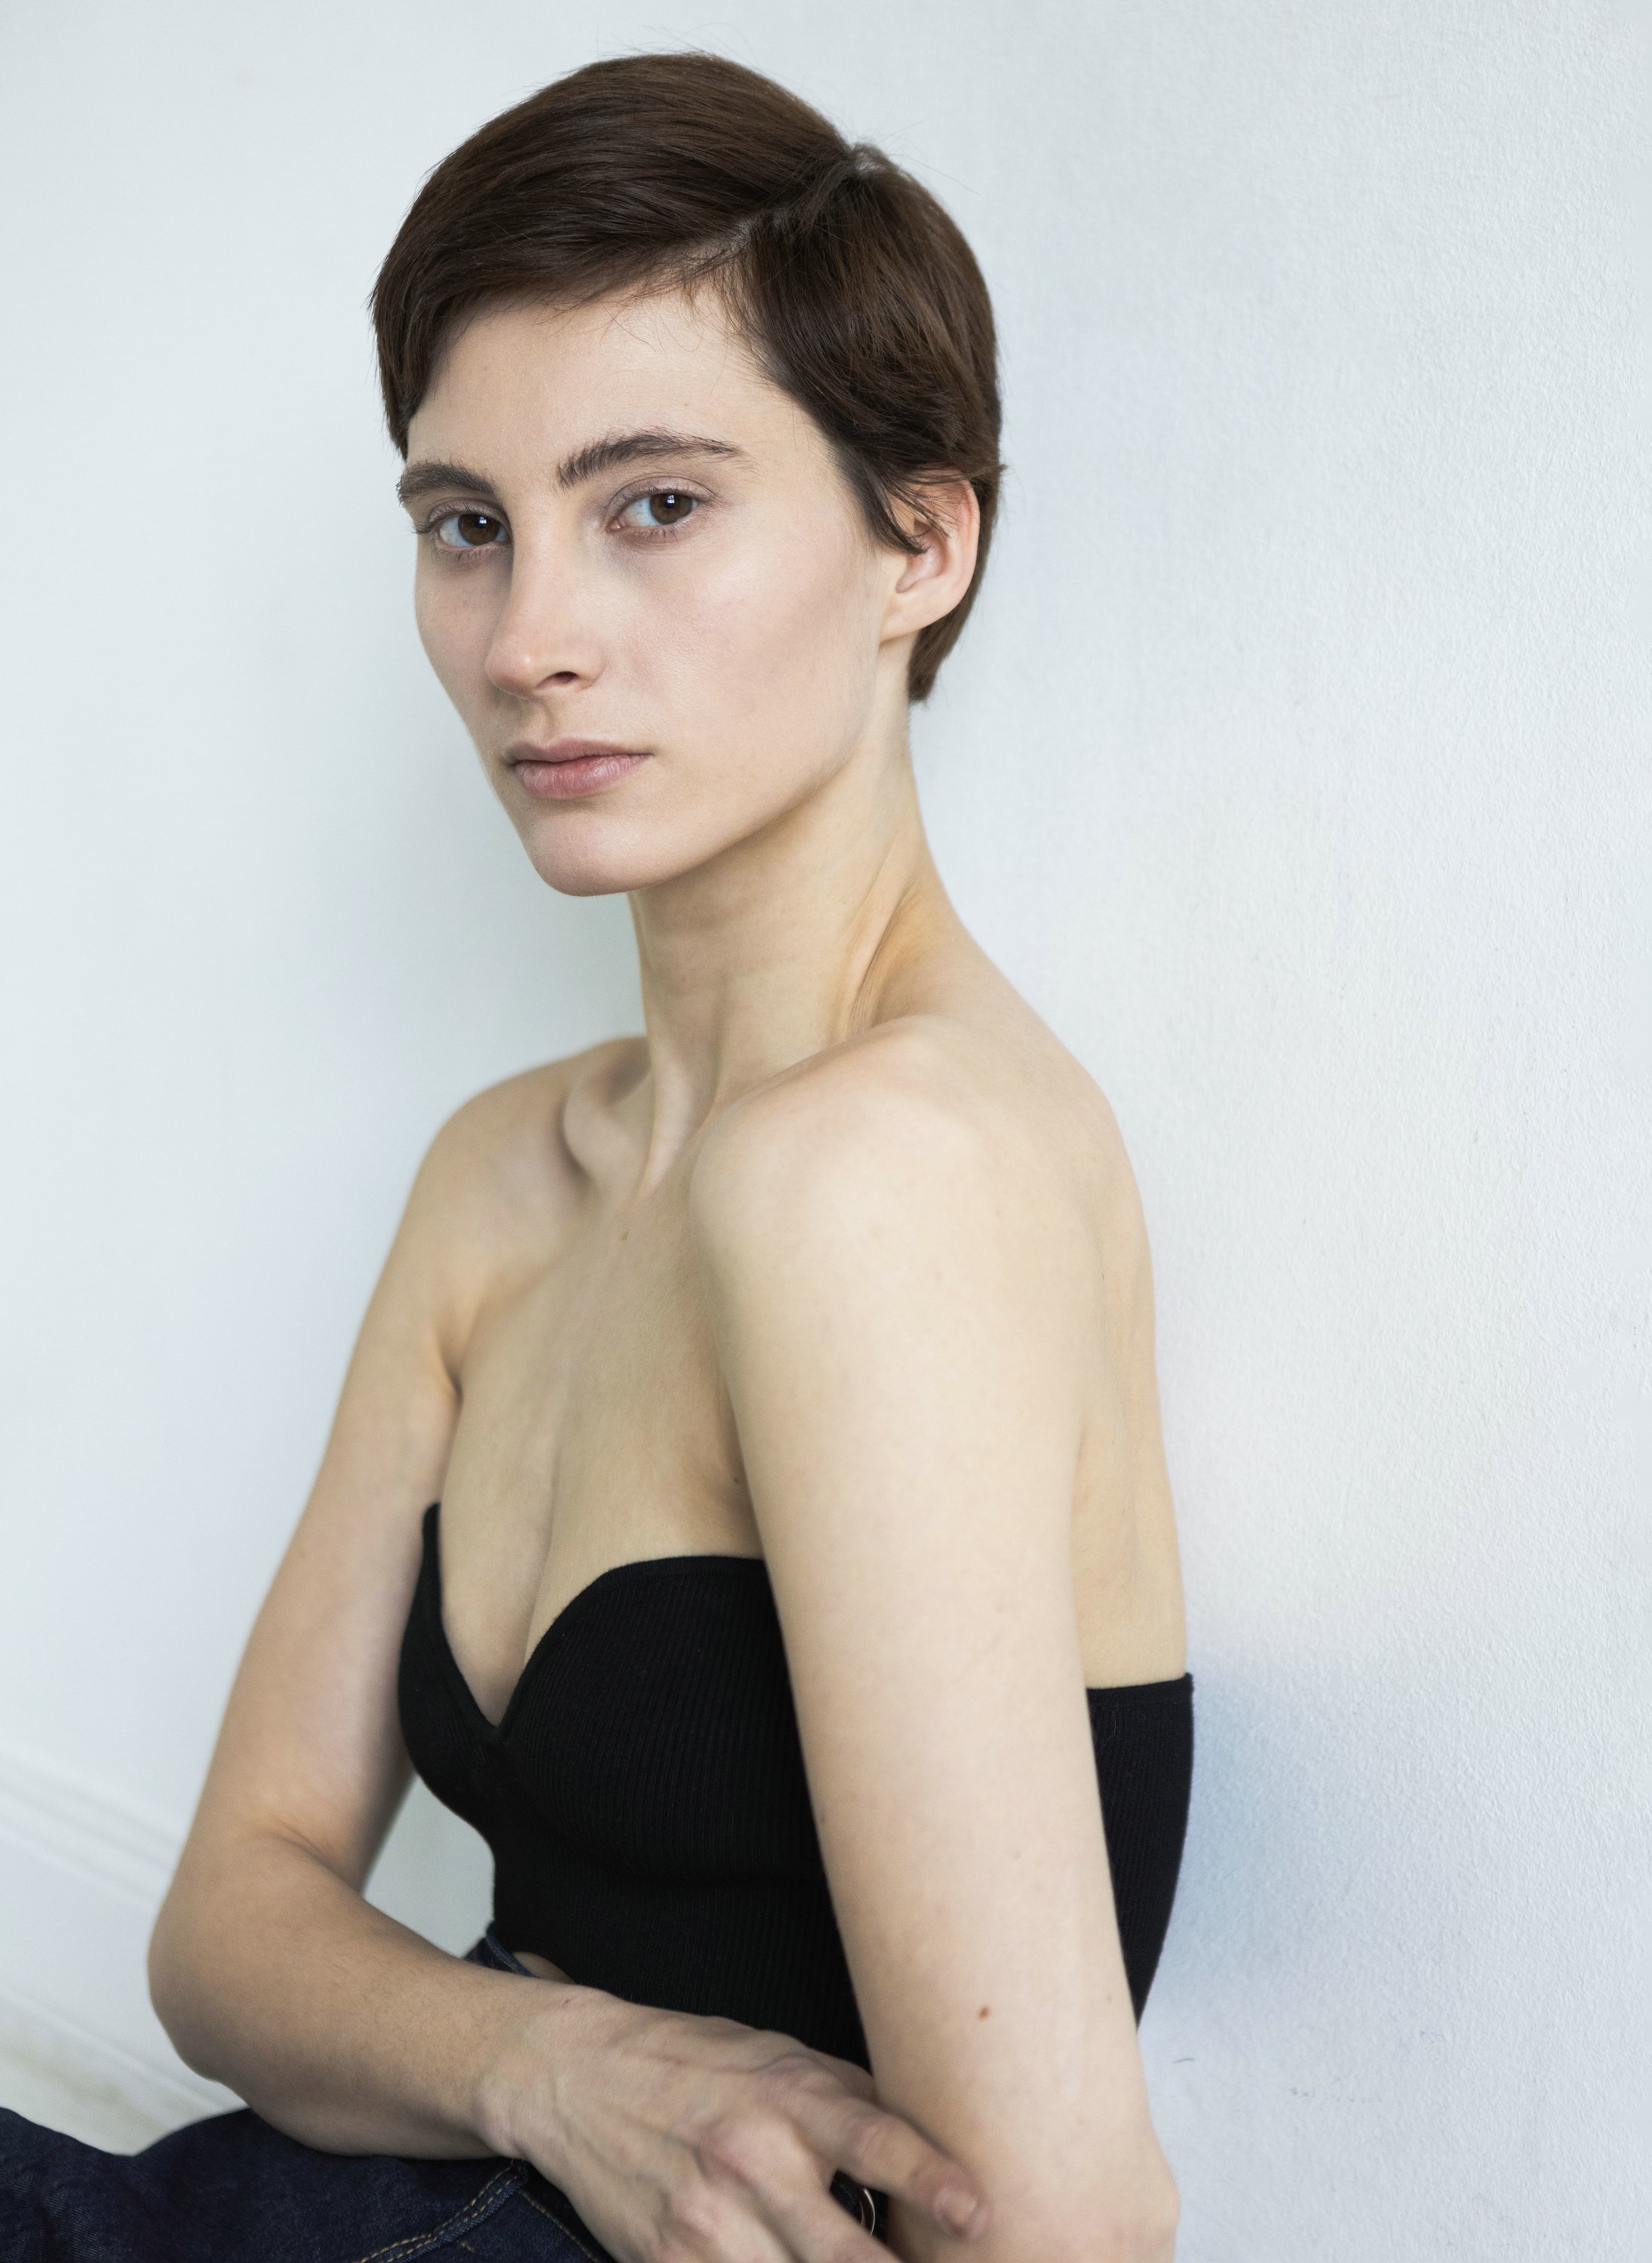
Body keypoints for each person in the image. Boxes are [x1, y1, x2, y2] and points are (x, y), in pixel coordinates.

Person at [0, 50, 1193, 2263]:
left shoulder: (886, 1179)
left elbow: (1056, 2222)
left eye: (652, 505)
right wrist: (549, 2062)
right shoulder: (505, 1175)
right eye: (468, 524)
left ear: (921, 543)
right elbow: (228, 1924)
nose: (528, 639)